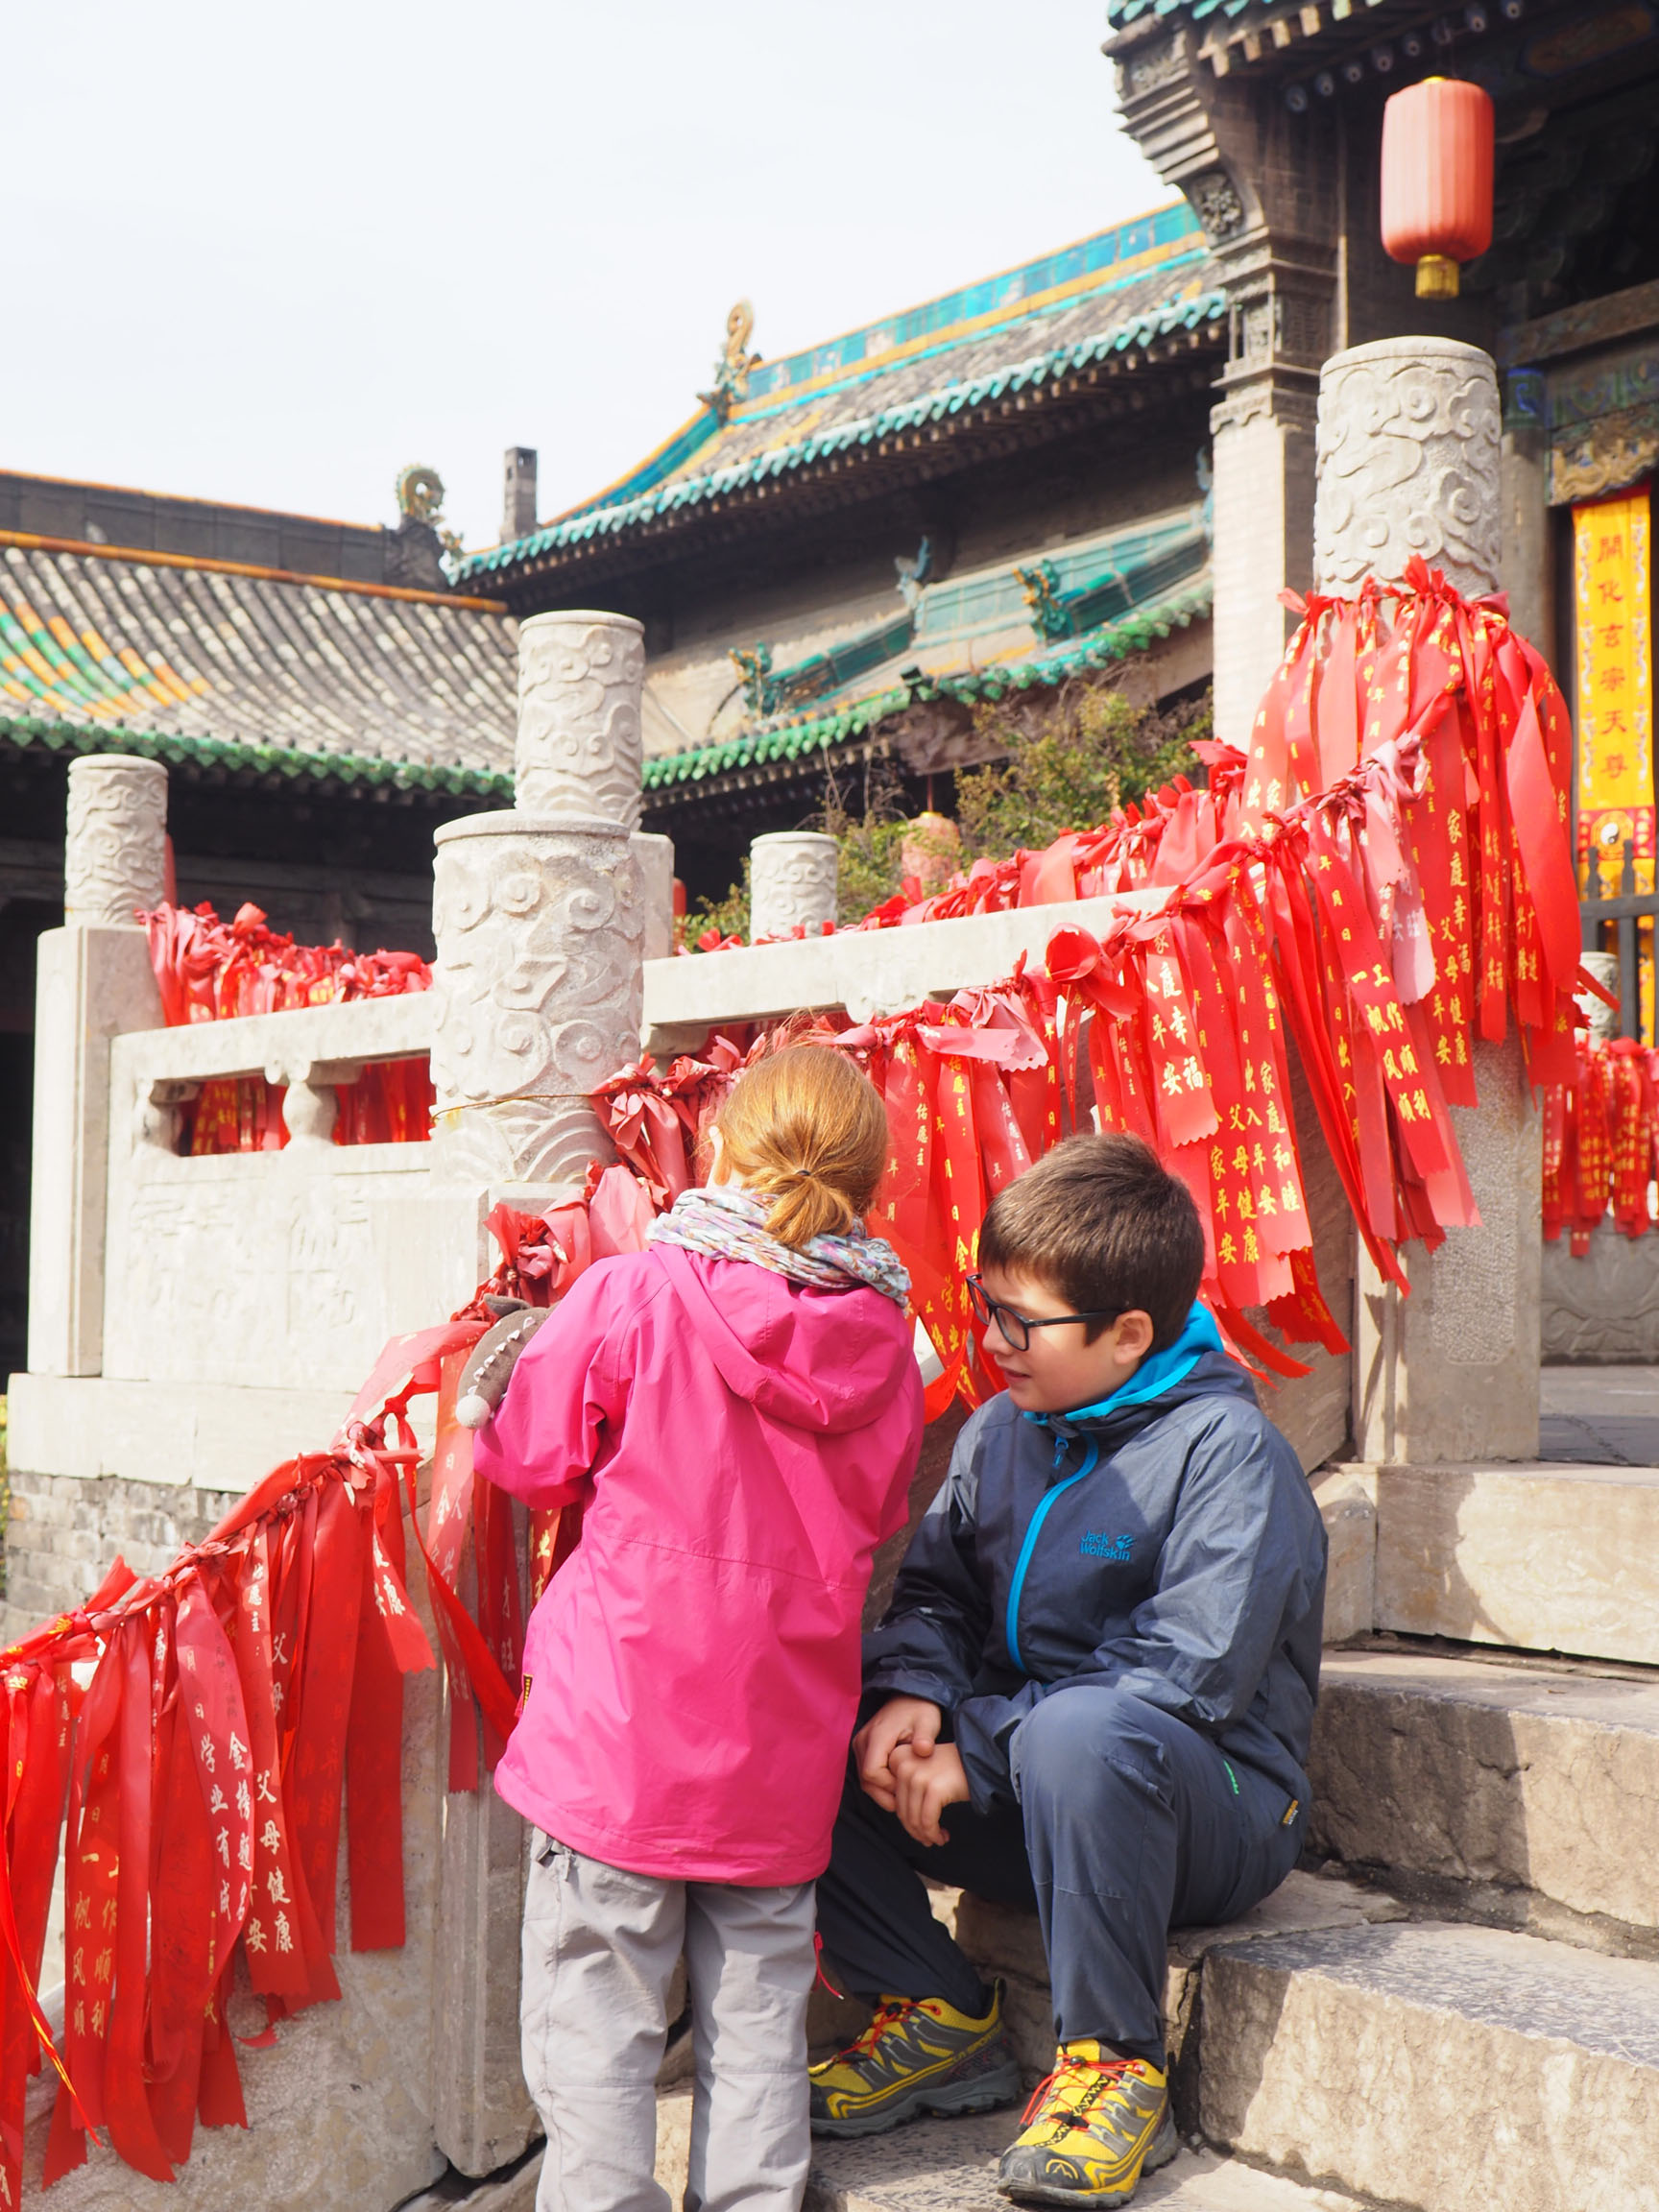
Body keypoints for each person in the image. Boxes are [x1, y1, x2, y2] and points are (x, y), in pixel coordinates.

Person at [810, 1133, 1327, 2208]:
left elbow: (1186, 1672)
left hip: (1207, 1806)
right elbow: (939, 1596)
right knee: (798, 1710)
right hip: (1032, 1785)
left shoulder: (1228, 1452)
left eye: (1021, 1321)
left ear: (1127, 1334)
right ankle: (935, 2009)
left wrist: (979, 1751)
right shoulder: (1003, 1430)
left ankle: (1113, 2069)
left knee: (1079, 1733)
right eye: (985, 1305)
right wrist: (913, 1699)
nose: (991, 1341)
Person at [473, 1046, 925, 2212]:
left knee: (595, 2034)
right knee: (762, 2033)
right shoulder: (887, 1342)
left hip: (619, 1742)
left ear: (720, 1146)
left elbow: (531, 1457)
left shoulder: (637, 1292)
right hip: (779, 1747)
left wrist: (493, 1379)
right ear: (867, 1182)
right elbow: (879, 1513)